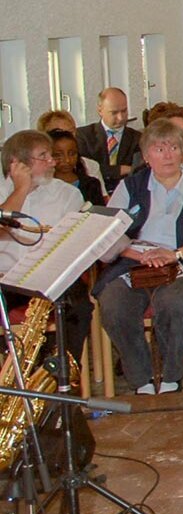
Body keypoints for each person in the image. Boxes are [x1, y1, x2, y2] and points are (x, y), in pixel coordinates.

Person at [95, 119, 183, 395]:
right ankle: (141, 379)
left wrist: (175, 254)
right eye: (159, 149)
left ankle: (171, 375)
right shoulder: (130, 187)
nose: (167, 154)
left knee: (174, 302)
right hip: (136, 261)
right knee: (113, 304)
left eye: (173, 147)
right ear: (146, 157)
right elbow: (109, 234)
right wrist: (137, 254)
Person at [0, 131, 96, 351]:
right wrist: (22, 189)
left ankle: (62, 376)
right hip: (6, 280)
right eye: (44, 156)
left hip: (51, 278)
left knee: (79, 307)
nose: (53, 162)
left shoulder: (67, 194)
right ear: (18, 163)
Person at [77, 86, 141, 192]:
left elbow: (138, 170)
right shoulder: (84, 136)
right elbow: (84, 169)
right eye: (114, 113)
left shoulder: (138, 138)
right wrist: (120, 170)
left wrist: (105, 169)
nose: (120, 118)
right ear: (100, 110)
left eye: (124, 111)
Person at [49, 128, 107, 206]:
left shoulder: (91, 185)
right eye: (58, 155)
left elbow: (99, 214)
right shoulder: (44, 186)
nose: (67, 160)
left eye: (72, 154)